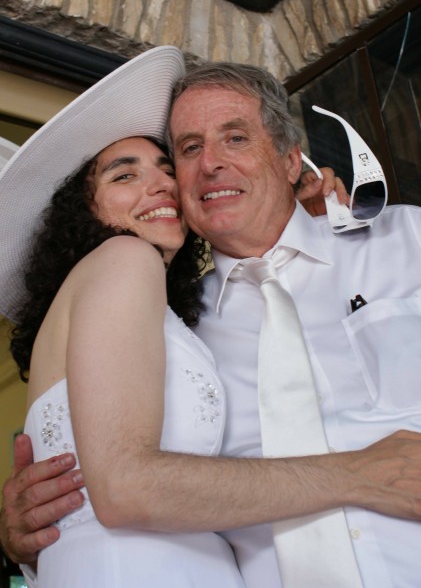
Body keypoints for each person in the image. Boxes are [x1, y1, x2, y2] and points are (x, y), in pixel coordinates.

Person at [1, 51, 421, 587]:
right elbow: (122, 480)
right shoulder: (175, 328)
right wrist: (28, 535)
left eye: (236, 138)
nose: (210, 164)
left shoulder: (406, 241)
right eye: (190, 149)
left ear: (291, 160)